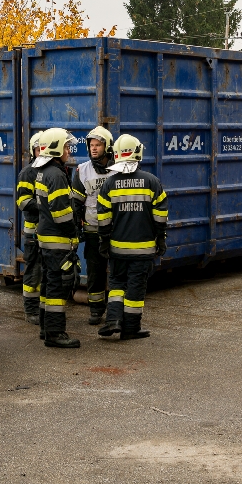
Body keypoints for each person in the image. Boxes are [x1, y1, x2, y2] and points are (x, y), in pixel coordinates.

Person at [96, 134, 167, 340]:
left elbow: (103, 218)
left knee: (116, 284)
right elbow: (160, 216)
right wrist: (161, 238)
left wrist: (104, 241)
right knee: (135, 287)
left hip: (117, 249)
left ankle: (113, 320)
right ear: (138, 153)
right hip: (143, 249)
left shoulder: (109, 184)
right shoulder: (152, 182)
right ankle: (131, 328)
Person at [33, 127, 82, 348]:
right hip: (57, 239)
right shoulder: (56, 174)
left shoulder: (43, 171)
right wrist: (74, 233)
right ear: (55, 149)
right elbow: (61, 213)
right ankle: (55, 333)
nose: (69, 150)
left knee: (48, 283)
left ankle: (46, 328)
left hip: (46, 237)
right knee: (57, 286)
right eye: (66, 146)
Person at [71, 126, 115, 325]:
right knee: (95, 272)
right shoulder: (82, 170)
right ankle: (96, 310)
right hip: (93, 231)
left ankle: (116, 310)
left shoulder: (118, 169)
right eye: (91, 145)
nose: (94, 148)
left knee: (117, 272)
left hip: (116, 231)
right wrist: (76, 228)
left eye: (98, 145)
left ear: (107, 147)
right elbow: (76, 203)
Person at [15, 131, 43, 326]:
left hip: (50, 231)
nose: (42, 152)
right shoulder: (27, 173)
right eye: (38, 149)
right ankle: (31, 310)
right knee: (33, 270)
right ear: (33, 151)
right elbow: (23, 202)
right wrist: (47, 204)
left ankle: (43, 308)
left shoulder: (55, 171)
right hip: (33, 232)